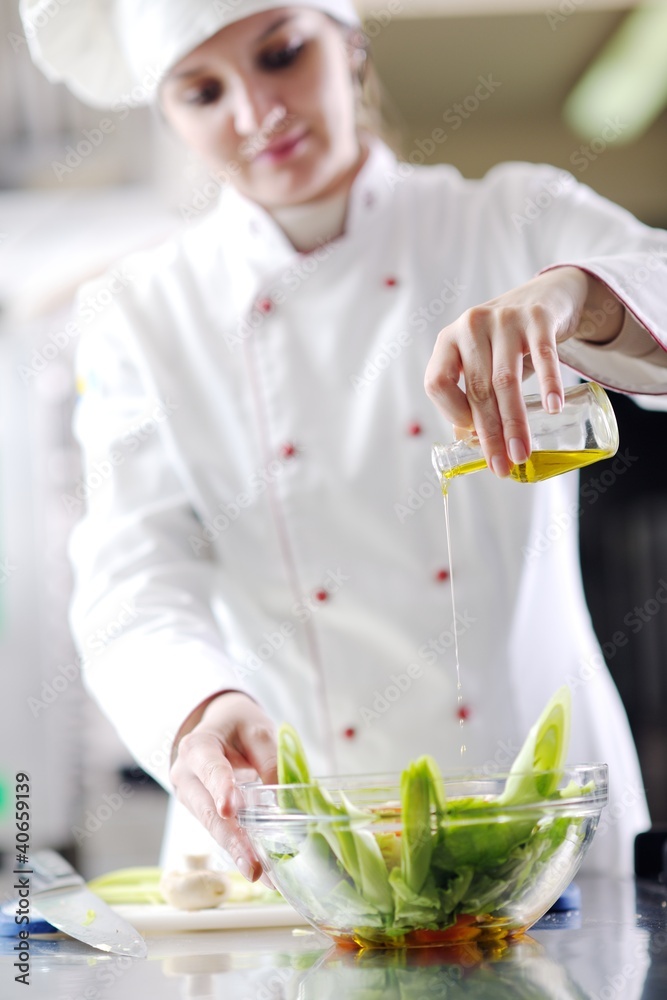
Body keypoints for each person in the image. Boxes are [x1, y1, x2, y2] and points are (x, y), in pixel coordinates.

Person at [21, 0, 667, 880]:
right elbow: (132, 578)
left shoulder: (509, 218)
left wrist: (576, 296)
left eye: (281, 54)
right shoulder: (141, 316)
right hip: (297, 840)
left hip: (542, 822)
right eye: (203, 91)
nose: (256, 113)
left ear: (351, 48)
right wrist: (197, 706)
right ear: (168, 117)